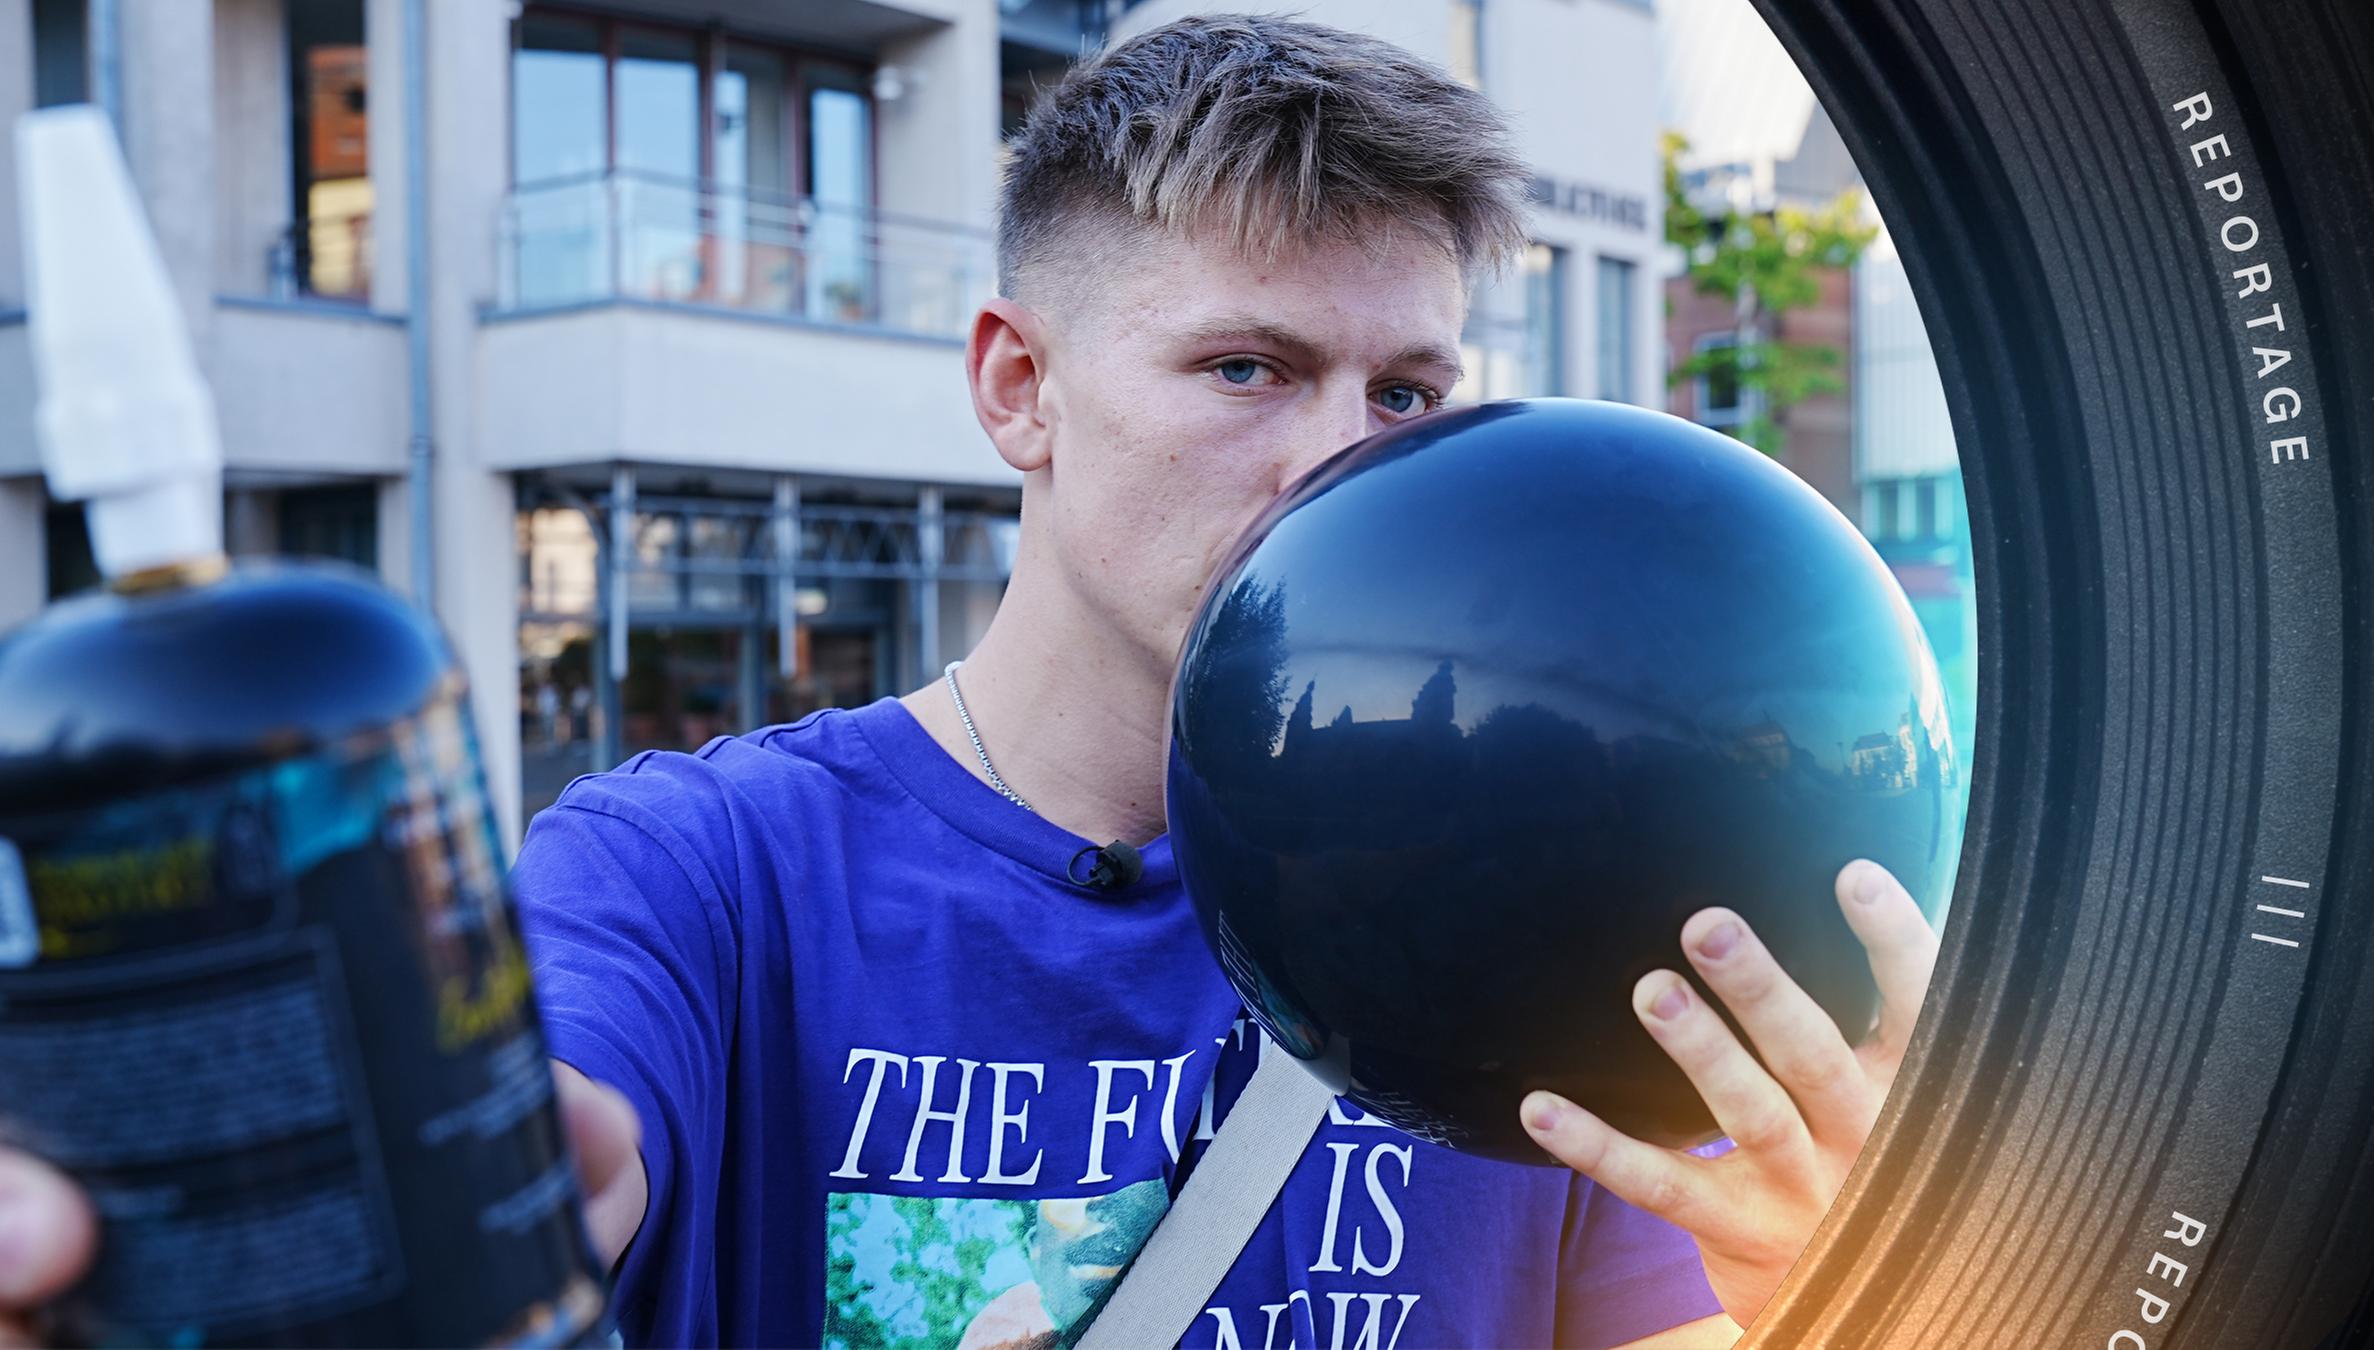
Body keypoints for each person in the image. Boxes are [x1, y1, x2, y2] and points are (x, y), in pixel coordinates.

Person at [0, 15, 1938, 1348]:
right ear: (1017, 385)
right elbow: (561, 1137)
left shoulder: (1551, 924)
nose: (1348, 457)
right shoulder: (704, 876)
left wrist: (1867, 1288)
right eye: (1247, 368)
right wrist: (442, 1199)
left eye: (1410, 391)